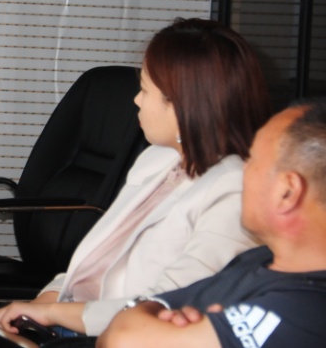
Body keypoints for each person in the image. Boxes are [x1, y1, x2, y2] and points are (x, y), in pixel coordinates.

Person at [0, 18, 274, 337]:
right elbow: (98, 260)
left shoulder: (234, 190)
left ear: (184, 104)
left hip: (119, 335)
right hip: (73, 323)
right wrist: (45, 302)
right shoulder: (159, 160)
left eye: (145, 90)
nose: (136, 100)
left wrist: (53, 313)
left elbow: (166, 305)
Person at [97, 98, 326, 348]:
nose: (243, 170)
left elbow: (124, 340)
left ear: (287, 192)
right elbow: (128, 324)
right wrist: (145, 317)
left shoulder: (305, 310)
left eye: (252, 160)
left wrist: (140, 320)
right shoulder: (257, 259)